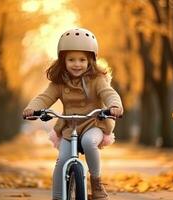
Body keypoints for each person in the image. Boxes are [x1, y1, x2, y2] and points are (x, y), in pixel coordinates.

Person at [22, 28, 123, 200]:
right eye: (71, 60)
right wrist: (32, 108)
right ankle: (58, 196)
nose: (77, 64)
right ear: (63, 61)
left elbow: (109, 93)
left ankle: (96, 182)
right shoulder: (59, 83)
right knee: (62, 161)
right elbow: (44, 98)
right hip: (70, 127)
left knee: (89, 142)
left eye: (82, 59)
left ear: (91, 60)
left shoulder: (97, 80)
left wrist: (114, 105)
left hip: (93, 124)